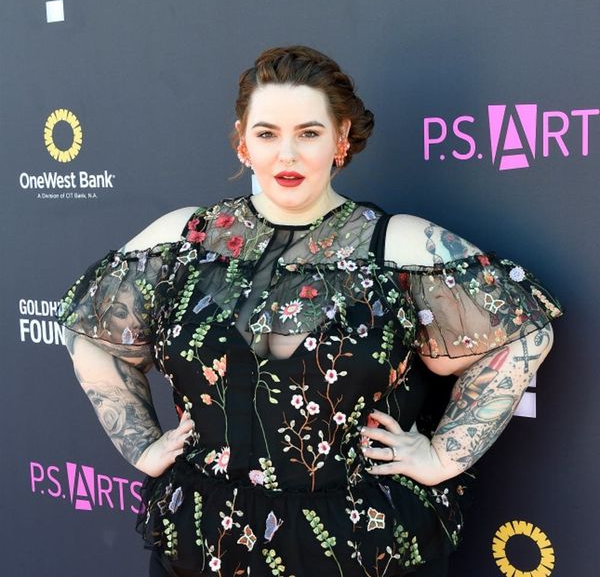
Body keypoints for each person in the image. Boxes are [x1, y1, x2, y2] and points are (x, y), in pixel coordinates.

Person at [56, 45, 563, 577]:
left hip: (358, 546)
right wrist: (141, 444)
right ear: (243, 140)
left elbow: (525, 334)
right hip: (204, 542)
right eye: (267, 134)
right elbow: (89, 331)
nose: (287, 156)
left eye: (309, 133)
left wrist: (443, 456)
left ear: (341, 137)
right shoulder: (184, 238)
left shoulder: (396, 245)